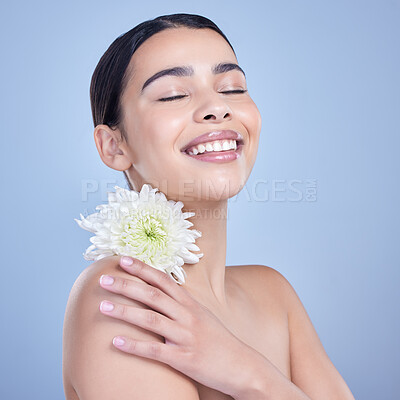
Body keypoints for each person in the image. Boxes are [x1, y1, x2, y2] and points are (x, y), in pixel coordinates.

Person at [62, 13, 355, 400]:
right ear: (114, 146)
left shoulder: (274, 293)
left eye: (232, 88)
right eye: (173, 94)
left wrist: (249, 372)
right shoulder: (122, 296)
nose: (217, 107)